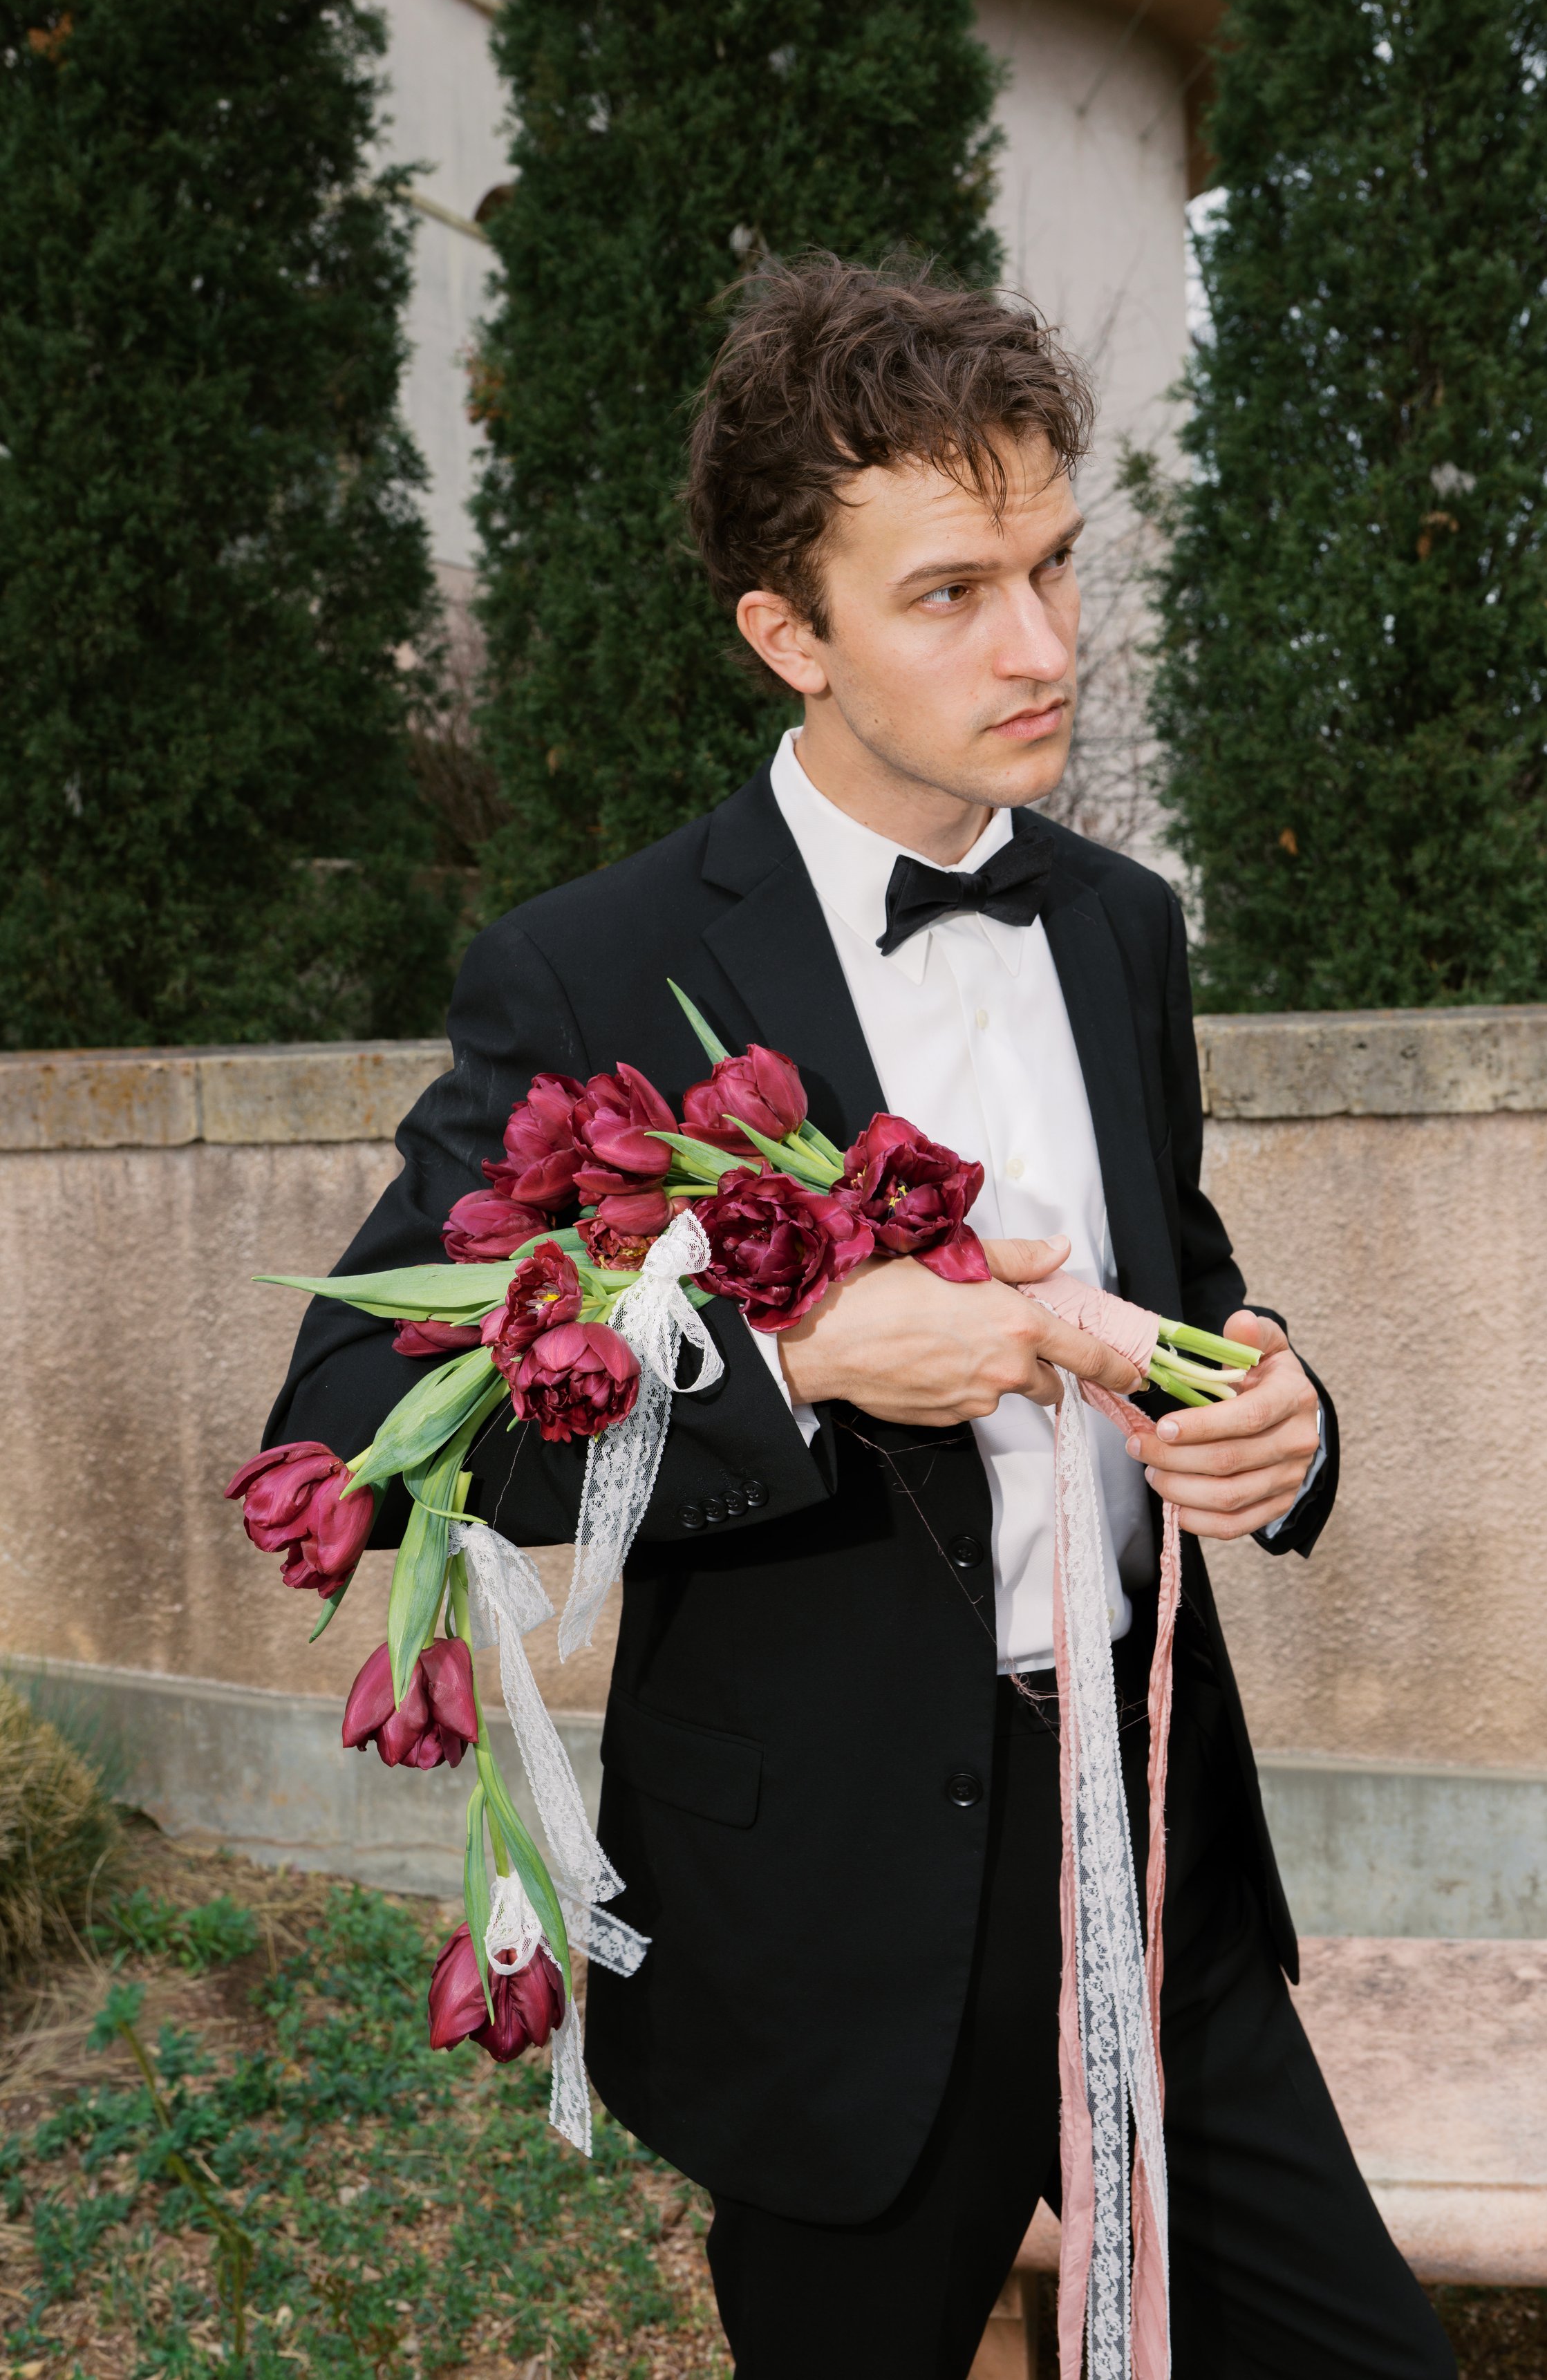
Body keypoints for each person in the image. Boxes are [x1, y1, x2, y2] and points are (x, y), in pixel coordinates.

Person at [267, 259, 1455, 2379]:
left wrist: (1277, 1415)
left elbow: (1178, 1277)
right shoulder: (590, 969)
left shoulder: (1120, 928)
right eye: (951, 595)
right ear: (787, 635)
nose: (1043, 645)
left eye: (1054, 566)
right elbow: (363, 1404)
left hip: (1153, 1860)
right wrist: (795, 1367)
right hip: (822, 1916)